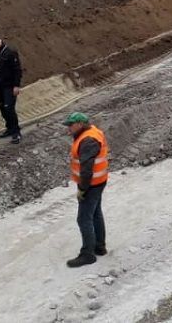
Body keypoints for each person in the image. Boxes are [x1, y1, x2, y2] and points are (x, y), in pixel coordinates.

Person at [65, 112, 108, 268]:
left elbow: (86, 170)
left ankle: (88, 254)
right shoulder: (91, 133)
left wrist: (82, 189)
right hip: (98, 181)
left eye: (70, 125)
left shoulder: (88, 140)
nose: (68, 128)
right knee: (95, 213)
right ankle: (99, 246)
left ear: (80, 124)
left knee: (83, 218)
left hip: (91, 184)